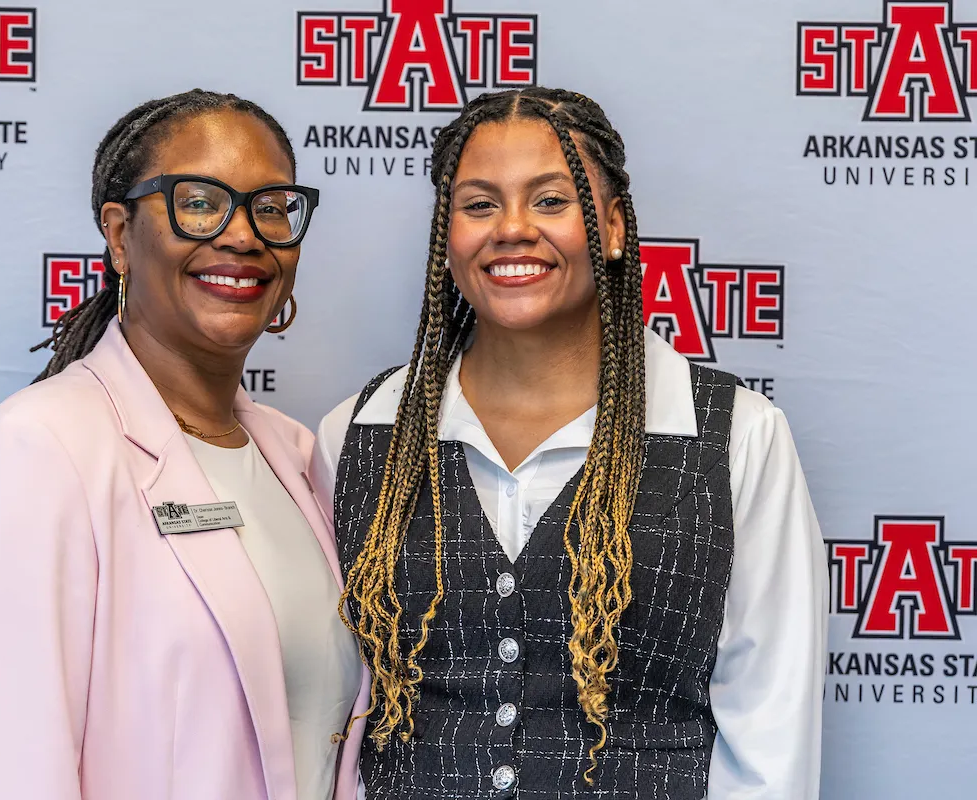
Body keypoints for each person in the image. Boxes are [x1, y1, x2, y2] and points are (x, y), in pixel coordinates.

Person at [312, 87, 827, 799]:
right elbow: (329, 712)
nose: (513, 228)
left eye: (551, 200)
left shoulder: (738, 435)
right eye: (480, 204)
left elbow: (771, 735)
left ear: (612, 227)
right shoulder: (359, 432)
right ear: (447, 232)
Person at [0, 89, 364, 800]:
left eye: (272, 206)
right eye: (199, 202)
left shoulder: (297, 457)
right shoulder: (40, 451)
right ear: (121, 236)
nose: (244, 236)